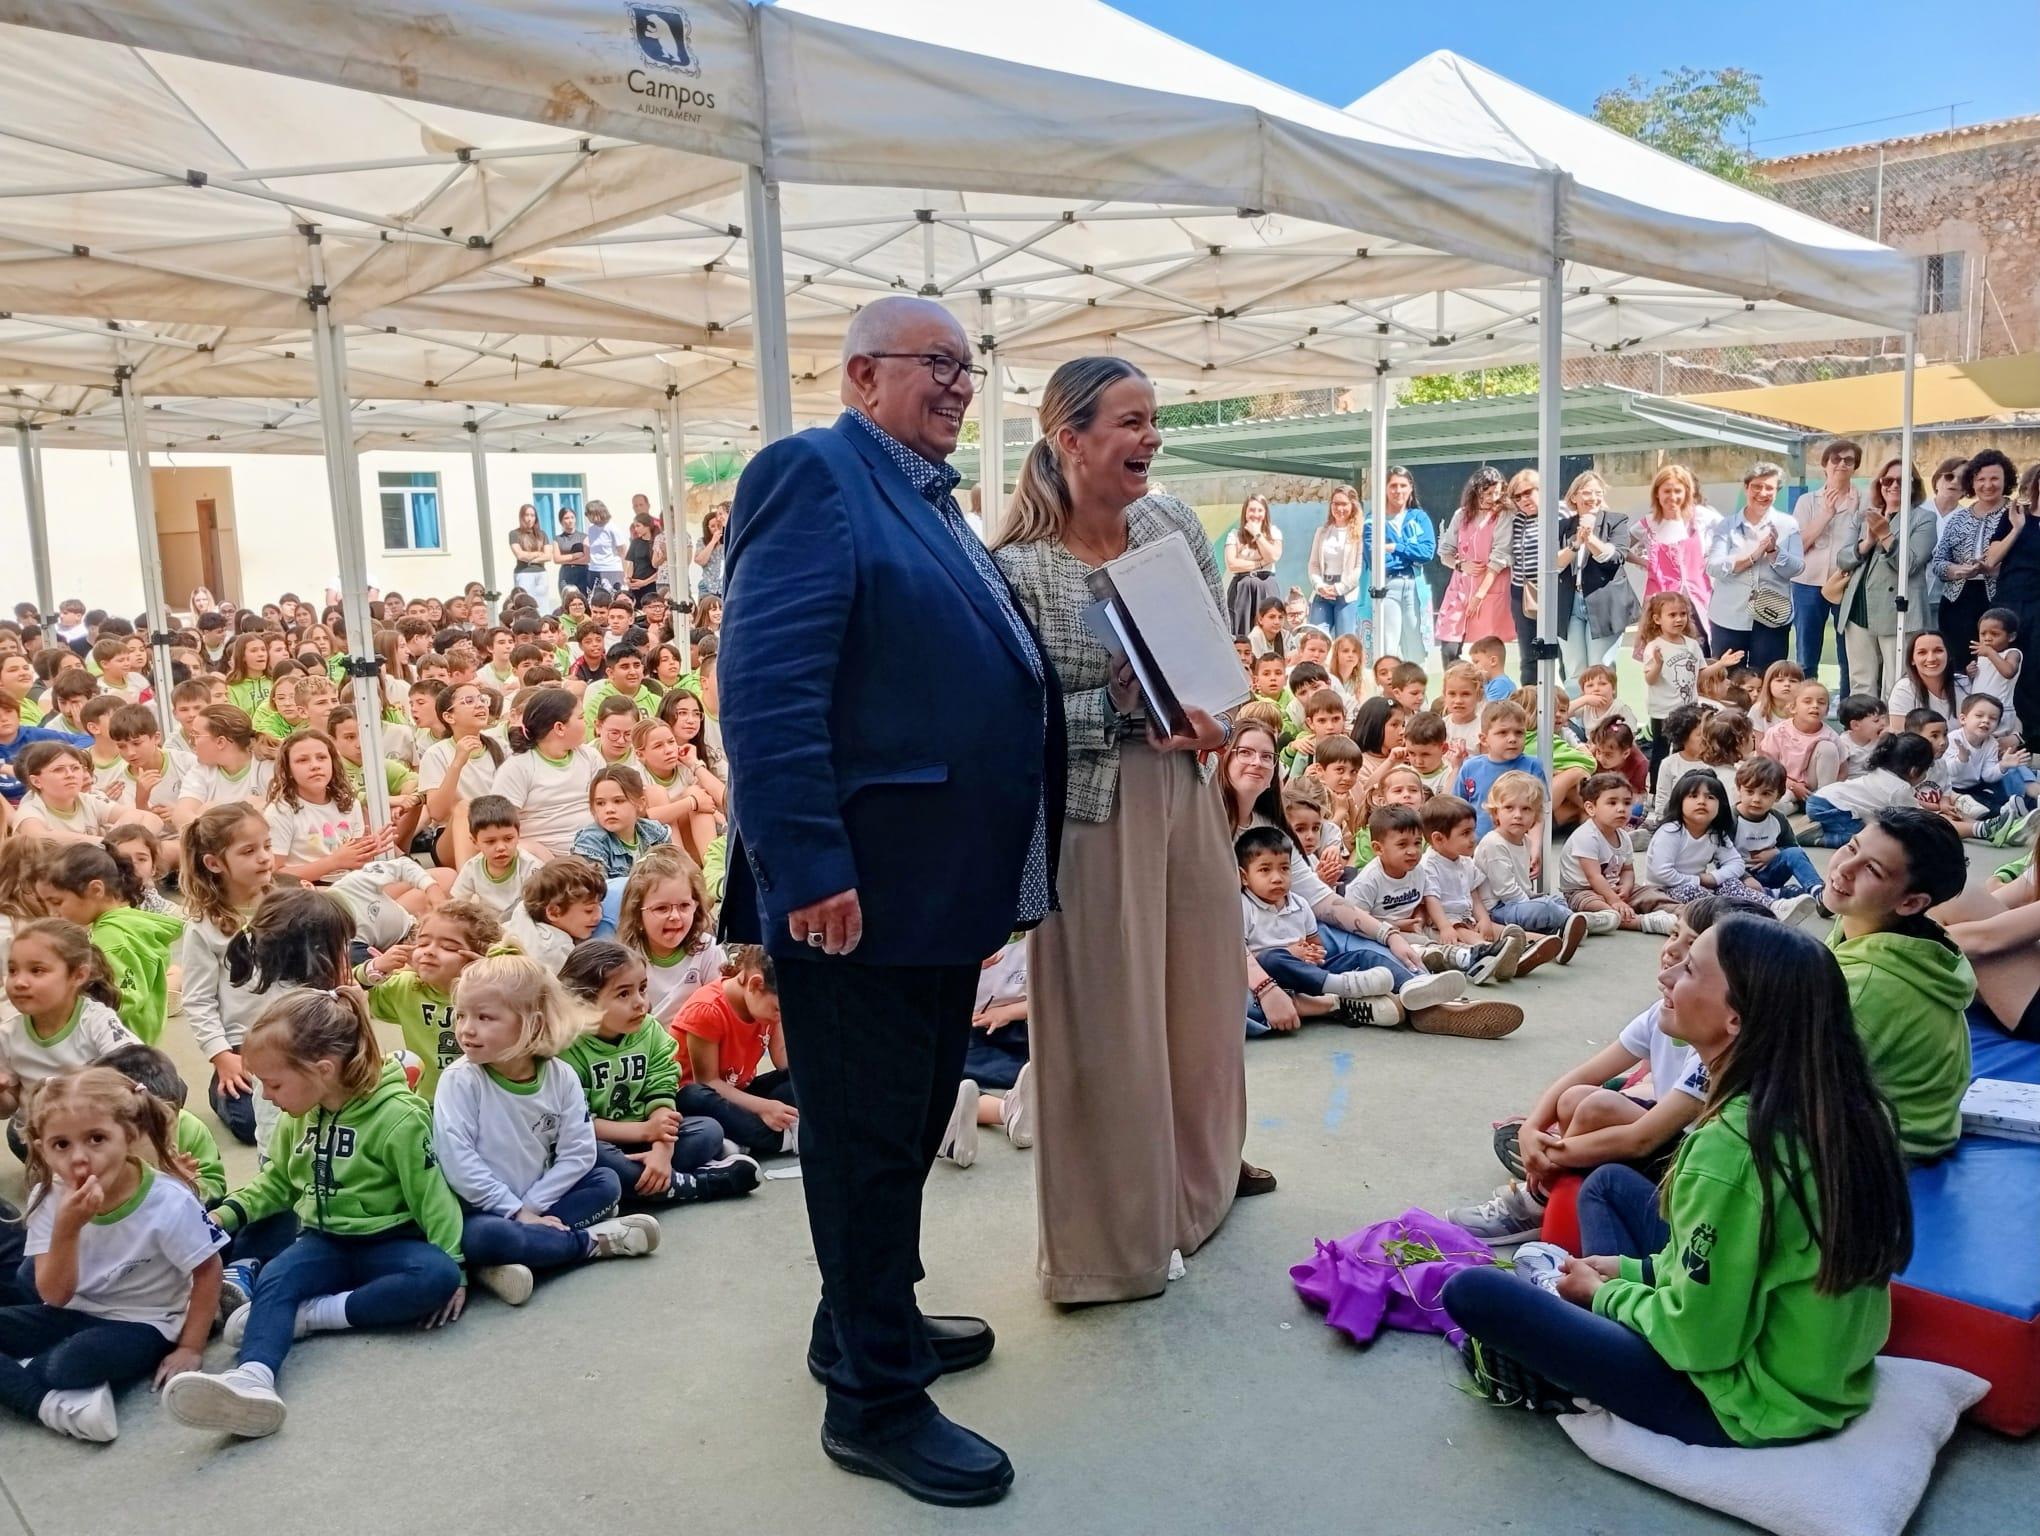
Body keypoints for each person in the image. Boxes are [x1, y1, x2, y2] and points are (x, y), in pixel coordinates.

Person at [720, 295, 1058, 1505]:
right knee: (866, 1146)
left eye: (969, 367)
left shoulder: (926, 498)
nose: (960, 384)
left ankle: (866, 1321)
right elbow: (767, 689)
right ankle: (873, 1403)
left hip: (933, 887)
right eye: (936, 363)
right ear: (862, 375)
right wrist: (810, 865)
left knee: (909, 1125)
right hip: (856, 892)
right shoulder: (813, 474)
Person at [994, 354, 1262, 1307]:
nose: (1151, 439)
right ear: (1070, 439)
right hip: (1091, 811)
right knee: (1108, 1026)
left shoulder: (1171, 523)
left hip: (1186, 788)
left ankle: (1196, 1194)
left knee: (1202, 1000)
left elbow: (1221, 662)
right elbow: (1007, 720)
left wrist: (1219, 720)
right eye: (1131, 422)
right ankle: (1109, 1248)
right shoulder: (1016, 568)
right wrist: (1110, 705)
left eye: (1155, 421)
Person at [163, 989, 466, 1440]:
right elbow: (278, 1184)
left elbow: (432, 1197)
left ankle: (312, 1315)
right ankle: (252, 1378)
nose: (267, 1096)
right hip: (323, 1240)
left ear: (323, 1070)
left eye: (275, 1084)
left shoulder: (400, 1118)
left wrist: (457, 1267)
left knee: (437, 1276)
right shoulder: (297, 1115)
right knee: (276, 1277)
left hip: (390, 1241)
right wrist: (222, 1216)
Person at [0, 1065, 225, 1444]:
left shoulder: (167, 1200)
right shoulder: (48, 1197)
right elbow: (54, 1295)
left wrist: (190, 1346)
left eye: (96, 1138)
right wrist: (67, 1228)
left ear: (129, 1134)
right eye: (61, 1145)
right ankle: (50, 1405)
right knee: (55, 1362)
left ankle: (32, 1381)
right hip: (74, 1311)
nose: (79, 1158)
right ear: (41, 1148)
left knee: (64, 1367)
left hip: (146, 1320)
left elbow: (208, 1270)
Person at [433, 951, 660, 1308]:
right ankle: (588, 1244)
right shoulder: (460, 1080)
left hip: (539, 1199)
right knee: (483, 1237)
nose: (466, 1029)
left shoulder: (560, 1076)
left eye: (484, 1017)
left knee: (606, 1183)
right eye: (461, 1015)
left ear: (532, 1023)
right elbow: (458, 1163)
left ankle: (510, 1261)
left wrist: (531, 1208)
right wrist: (515, 1212)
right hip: (483, 1210)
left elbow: (579, 1153)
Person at [1820, 808, 1975, 1161]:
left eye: (1872, 870)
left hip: (1882, 1147)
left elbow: (1783, 1078)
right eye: (1852, 847)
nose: (1845, 868)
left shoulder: (1864, 987)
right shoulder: (1874, 929)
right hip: (1914, 1125)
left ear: (1910, 903)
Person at [557, 941, 760, 1209]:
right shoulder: (566, 1049)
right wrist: (645, 1132)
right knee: (594, 1159)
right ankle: (694, 1183)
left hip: (649, 1135)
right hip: (604, 1141)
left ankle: (655, 1180)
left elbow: (662, 1092)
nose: (640, 1003)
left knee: (708, 1131)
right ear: (584, 1001)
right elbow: (578, 1124)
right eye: (623, 994)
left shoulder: (650, 1031)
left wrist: (662, 1150)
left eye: (642, 989)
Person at [1835, 457, 1933, 703]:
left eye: (1902, 480)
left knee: (1896, 682)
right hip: (1858, 608)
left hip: (1897, 610)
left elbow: (1909, 565)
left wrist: (1886, 535)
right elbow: (1843, 559)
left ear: (1914, 484)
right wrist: (1868, 542)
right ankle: (1862, 725)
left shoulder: (1923, 518)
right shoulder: (1864, 516)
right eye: (1888, 480)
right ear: (1879, 484)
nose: (1894, 485)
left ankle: (1895, 726)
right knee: (1861, 681)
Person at [1703, 462, 1802, 670]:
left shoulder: (1788, 524)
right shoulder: (1727, 525)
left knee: (1768, 678)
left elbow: (1797, 568)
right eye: (1757, 486)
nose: (1762, 493)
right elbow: (1713, 566)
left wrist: (1774, 551)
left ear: (1777, 491)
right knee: (1727, 678)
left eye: (1769, 488)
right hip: (1729, 616)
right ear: (1746, 488)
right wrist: (1751, 557)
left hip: (1772, 616)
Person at [1932, 448, 2014, 672]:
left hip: (1999, 601)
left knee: (1993, 668)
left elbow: (2023, 564)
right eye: (1980, 479)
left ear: (2006, 480)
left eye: (1994, 478)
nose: (1987, 485)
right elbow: (1938, 561)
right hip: (1957, 602)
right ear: (1971, 482)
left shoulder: (2016, 515)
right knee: (1959, 667)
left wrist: (1993, 570)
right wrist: (1957, 570)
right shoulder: (1959, 517)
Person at [1791, 439, 1861, 686]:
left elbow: (1863, 543)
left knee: (1848, 654)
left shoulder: (1863, 501)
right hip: (1808, 583)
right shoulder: (1807, 501)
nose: (1842, 464)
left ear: (1855, 467)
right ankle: (1806, 701)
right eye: (1836, 459)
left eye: (1848, 460)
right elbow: (1798, 545)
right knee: (1806, 655)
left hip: (1847, 583)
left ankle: (1848, 706)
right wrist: (1825, 515)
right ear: (1825, 465)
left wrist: (1853, 513)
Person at [1979, 458, 2040, 738]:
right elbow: (1991, 560)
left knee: (2035, 669)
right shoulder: (2015, 515)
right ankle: (2001, 734)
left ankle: (2033, 739)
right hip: (2010, 602)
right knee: (1998, 667)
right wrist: (2016, 528)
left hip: (2038, 605)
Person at [1554, 471, 1635, 681]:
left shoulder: (1616, 521)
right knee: (1575, 670)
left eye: (1598, 493)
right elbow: (1553, 564)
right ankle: (1577, 704)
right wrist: (1576, 544)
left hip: (1604, 604)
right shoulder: (1562, 527)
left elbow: (1616, 557)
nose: (1593, 498)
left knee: (1600, 669)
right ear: (1574, 497)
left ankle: (1602, 704)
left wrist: (1590, 539)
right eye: (1587, 492)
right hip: (1569, 605)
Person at [1435, 467, 1512, 667]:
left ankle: (1484, 686)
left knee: (1485, 654)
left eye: (1497, 493)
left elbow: (1500, 558)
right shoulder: (1461, 515)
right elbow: (1445, 553)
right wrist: (1461, 565)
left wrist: (1479, 595)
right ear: (1477, 490)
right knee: (1449, 649)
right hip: (1460, 590)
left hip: (1489, 590)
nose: (1493, 498)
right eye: (1488, 493)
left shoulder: (1504, 516)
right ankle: (1456, 682)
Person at [1376, 466, 1435, 665]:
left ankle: (1417, 685)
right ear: (1385, 489)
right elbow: (1375, 556)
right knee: (1388, 646)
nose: (1398, 490)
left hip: (1414, 585)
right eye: (1393, 485)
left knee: (1416, 646)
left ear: (1410, 488)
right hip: (1386, 586)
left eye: (1403, 485)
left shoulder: (1419, 517)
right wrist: (1410, 553)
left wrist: (1395, 547)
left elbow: (1427, 552)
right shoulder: (1374, 520)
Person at [1305, 484, 1367, 639]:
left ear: (1352, 505)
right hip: (1323, 591)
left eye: (1344, 504)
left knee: (1345, 641)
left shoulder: (1360, 534)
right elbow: (1313, 564)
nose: (1339, 508)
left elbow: (1359, 567)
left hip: (1347, 593)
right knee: (1316, 637)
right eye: (1336, 504)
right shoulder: (1322, 532)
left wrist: (1340, 588)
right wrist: (1319, 585)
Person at [1223, 494, 1284, 638]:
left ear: (1265, 512)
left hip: (1266, 586)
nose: (1256, 514)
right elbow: (1232, 564)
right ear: (1245, 512)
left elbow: (1273, 556)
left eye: (1260, 510)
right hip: (1242, 588)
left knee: (1267, 632)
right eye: (1252, 510)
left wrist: (1257, 534)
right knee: (1241, 632)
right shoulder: (1235, 535)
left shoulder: (1273, 532)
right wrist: (1260, 563)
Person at [507, 505, 551, 605]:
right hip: (524, 573)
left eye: (532, 515)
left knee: (543, 605)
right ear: (521, 516)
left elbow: (548, 556)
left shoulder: (542, 534)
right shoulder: (514, 534)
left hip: (541, 573)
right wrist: (538, 553)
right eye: (527, 515)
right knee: (525, 604)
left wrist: (531, 559)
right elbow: (520, 555)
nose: (529, 518)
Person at [693, 502, 728, 599]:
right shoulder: (702, 541)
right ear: (707, 528)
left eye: (719, 525)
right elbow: (700, 561)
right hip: (707, 588)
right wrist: (713, 542)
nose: (716, 528)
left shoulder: (728, 540)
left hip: (725, 588)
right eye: (713, 526)